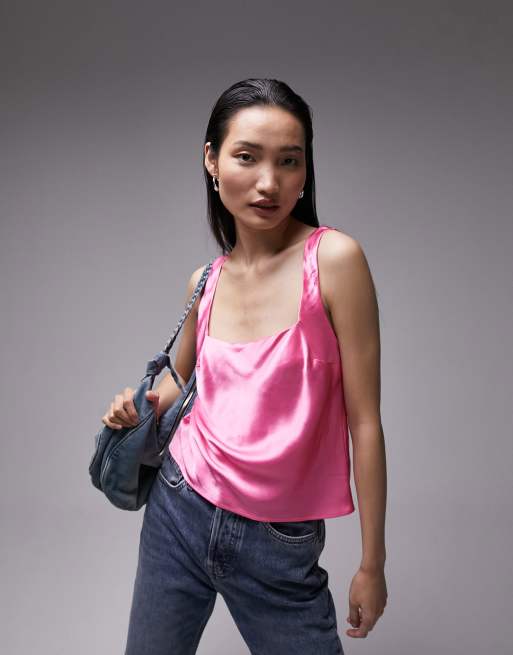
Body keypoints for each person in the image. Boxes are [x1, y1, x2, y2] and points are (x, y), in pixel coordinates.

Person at [102, 78, 388, 654]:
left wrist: (372, 563)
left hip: (277, 539)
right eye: (247, 157)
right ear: (212, 160)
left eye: (289, 161)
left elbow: (365, 423)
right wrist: (133, 406)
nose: (269, 182)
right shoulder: (205, 281)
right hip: (179, 507)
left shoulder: (334, 260)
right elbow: (182, 387)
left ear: (305, 171)